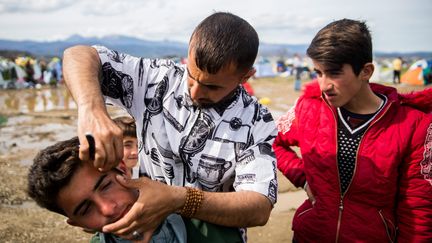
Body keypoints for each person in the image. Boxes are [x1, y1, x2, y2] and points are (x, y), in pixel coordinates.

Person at [62, 12, 277, 242]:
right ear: (189, 50)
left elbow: (259, 206)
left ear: (246, 77)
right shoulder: (155, 79)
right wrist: (91, 109)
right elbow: (78, 54)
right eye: (191, 77)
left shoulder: (257, 121)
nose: (195, 93)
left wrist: (179, 199)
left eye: (212, 87)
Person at [273, 19, 432, 242]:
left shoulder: (413, 125)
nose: (324, 85)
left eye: (334, 73)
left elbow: (418, 209)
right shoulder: (309, 108)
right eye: (318, 73)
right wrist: (304, 178)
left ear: (366, 71)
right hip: (309, 235)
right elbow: (272, 140)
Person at [27, 137, 187, 243]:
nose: (108, 209)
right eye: (86, 209)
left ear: (123, 170)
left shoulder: (197, 213)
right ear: (77, 224)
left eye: (105, 186)